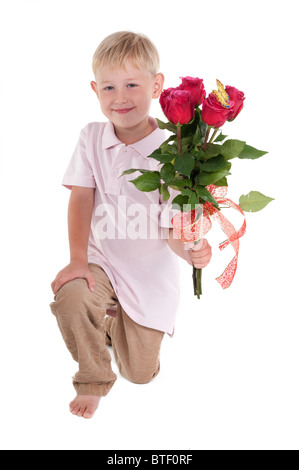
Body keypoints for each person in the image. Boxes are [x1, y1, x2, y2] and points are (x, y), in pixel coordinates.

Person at [50, 31, 212, 419]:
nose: (119, 97)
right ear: (95, 89)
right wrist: (76, 260)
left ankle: (114, 327)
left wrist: (191, 250)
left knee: (140, 375)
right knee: (71, 295)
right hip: (101, 262)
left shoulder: (174, 154)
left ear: (156, 86)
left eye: (132, 85)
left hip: (147, 280)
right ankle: (92, 377)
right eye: (108, 86)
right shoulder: (91, 138)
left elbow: (174, 226)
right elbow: (81, 197)